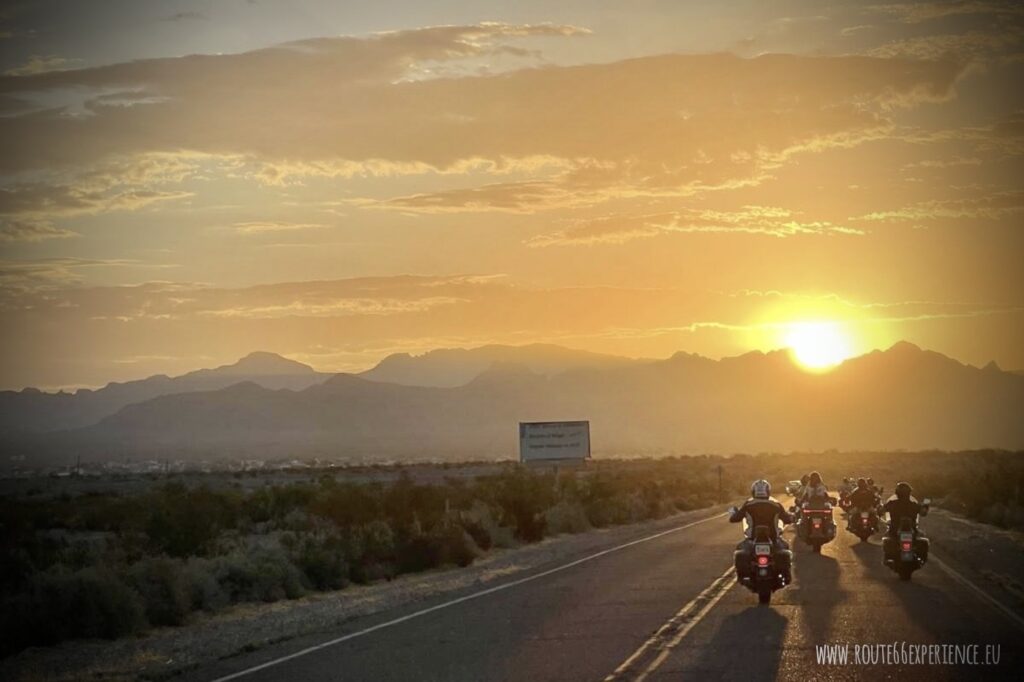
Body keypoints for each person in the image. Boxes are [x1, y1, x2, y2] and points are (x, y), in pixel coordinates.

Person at [730, 479, 794, 584]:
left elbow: (734, 519)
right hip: (773, 539)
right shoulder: (775, 505)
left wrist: (734, 514)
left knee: (740, 550)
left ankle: (741, 576)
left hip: (752, 539)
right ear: (768, 491)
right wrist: (791, 517)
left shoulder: (748, 505)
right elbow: (787, 519)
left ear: (753, 491)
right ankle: (786, 575)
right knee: (785, 548)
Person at [883, 481, 929, 562]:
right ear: (909, 493)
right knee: (922, 539)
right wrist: (926, 505)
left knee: (887, 539)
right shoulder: (914, 505)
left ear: (897, 493)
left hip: (895, 531)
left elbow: (881, 510)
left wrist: (879, 510)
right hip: (911, 531)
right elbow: (923, 513)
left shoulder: (892, 504)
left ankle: (889, 557)